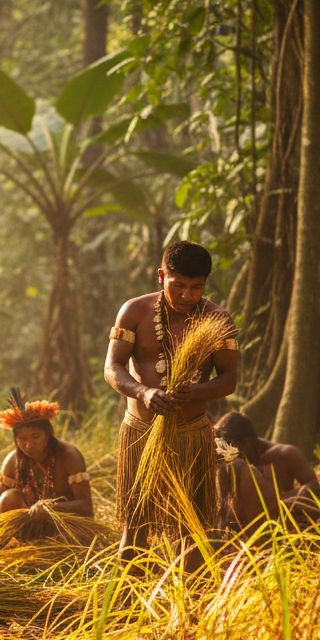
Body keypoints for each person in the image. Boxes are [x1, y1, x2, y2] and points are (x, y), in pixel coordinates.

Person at [104, 240, 239, 563]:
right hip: (140, 432)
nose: (186, 296)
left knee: (191, 526)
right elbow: (112, 368)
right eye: (178, 286)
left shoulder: (217, 319)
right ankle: (126, 605)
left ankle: (189, 606)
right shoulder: (134, 311)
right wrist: (144, 392)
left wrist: (197, 392)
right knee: (135, 525)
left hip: (191, 434)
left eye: (196, 288)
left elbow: (229, 379)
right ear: (162, 276)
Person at [0, 389, 93, 530]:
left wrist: (50, 508)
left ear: (48, 434)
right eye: (22, 439)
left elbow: (86, 506)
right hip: (29, 526)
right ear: (15, 439)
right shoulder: (13, 461)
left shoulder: (69, 456)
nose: (29, 445)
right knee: (8, 498)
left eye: (35, 437)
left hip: (67, 525)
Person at [213, 412, 320, 525]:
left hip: (281, 525)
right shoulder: (229, 463)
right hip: (246, 529)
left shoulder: (285, 454)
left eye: (232, 447)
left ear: (248, 442)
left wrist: (292, 501)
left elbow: (313, 484)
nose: (230, 454)